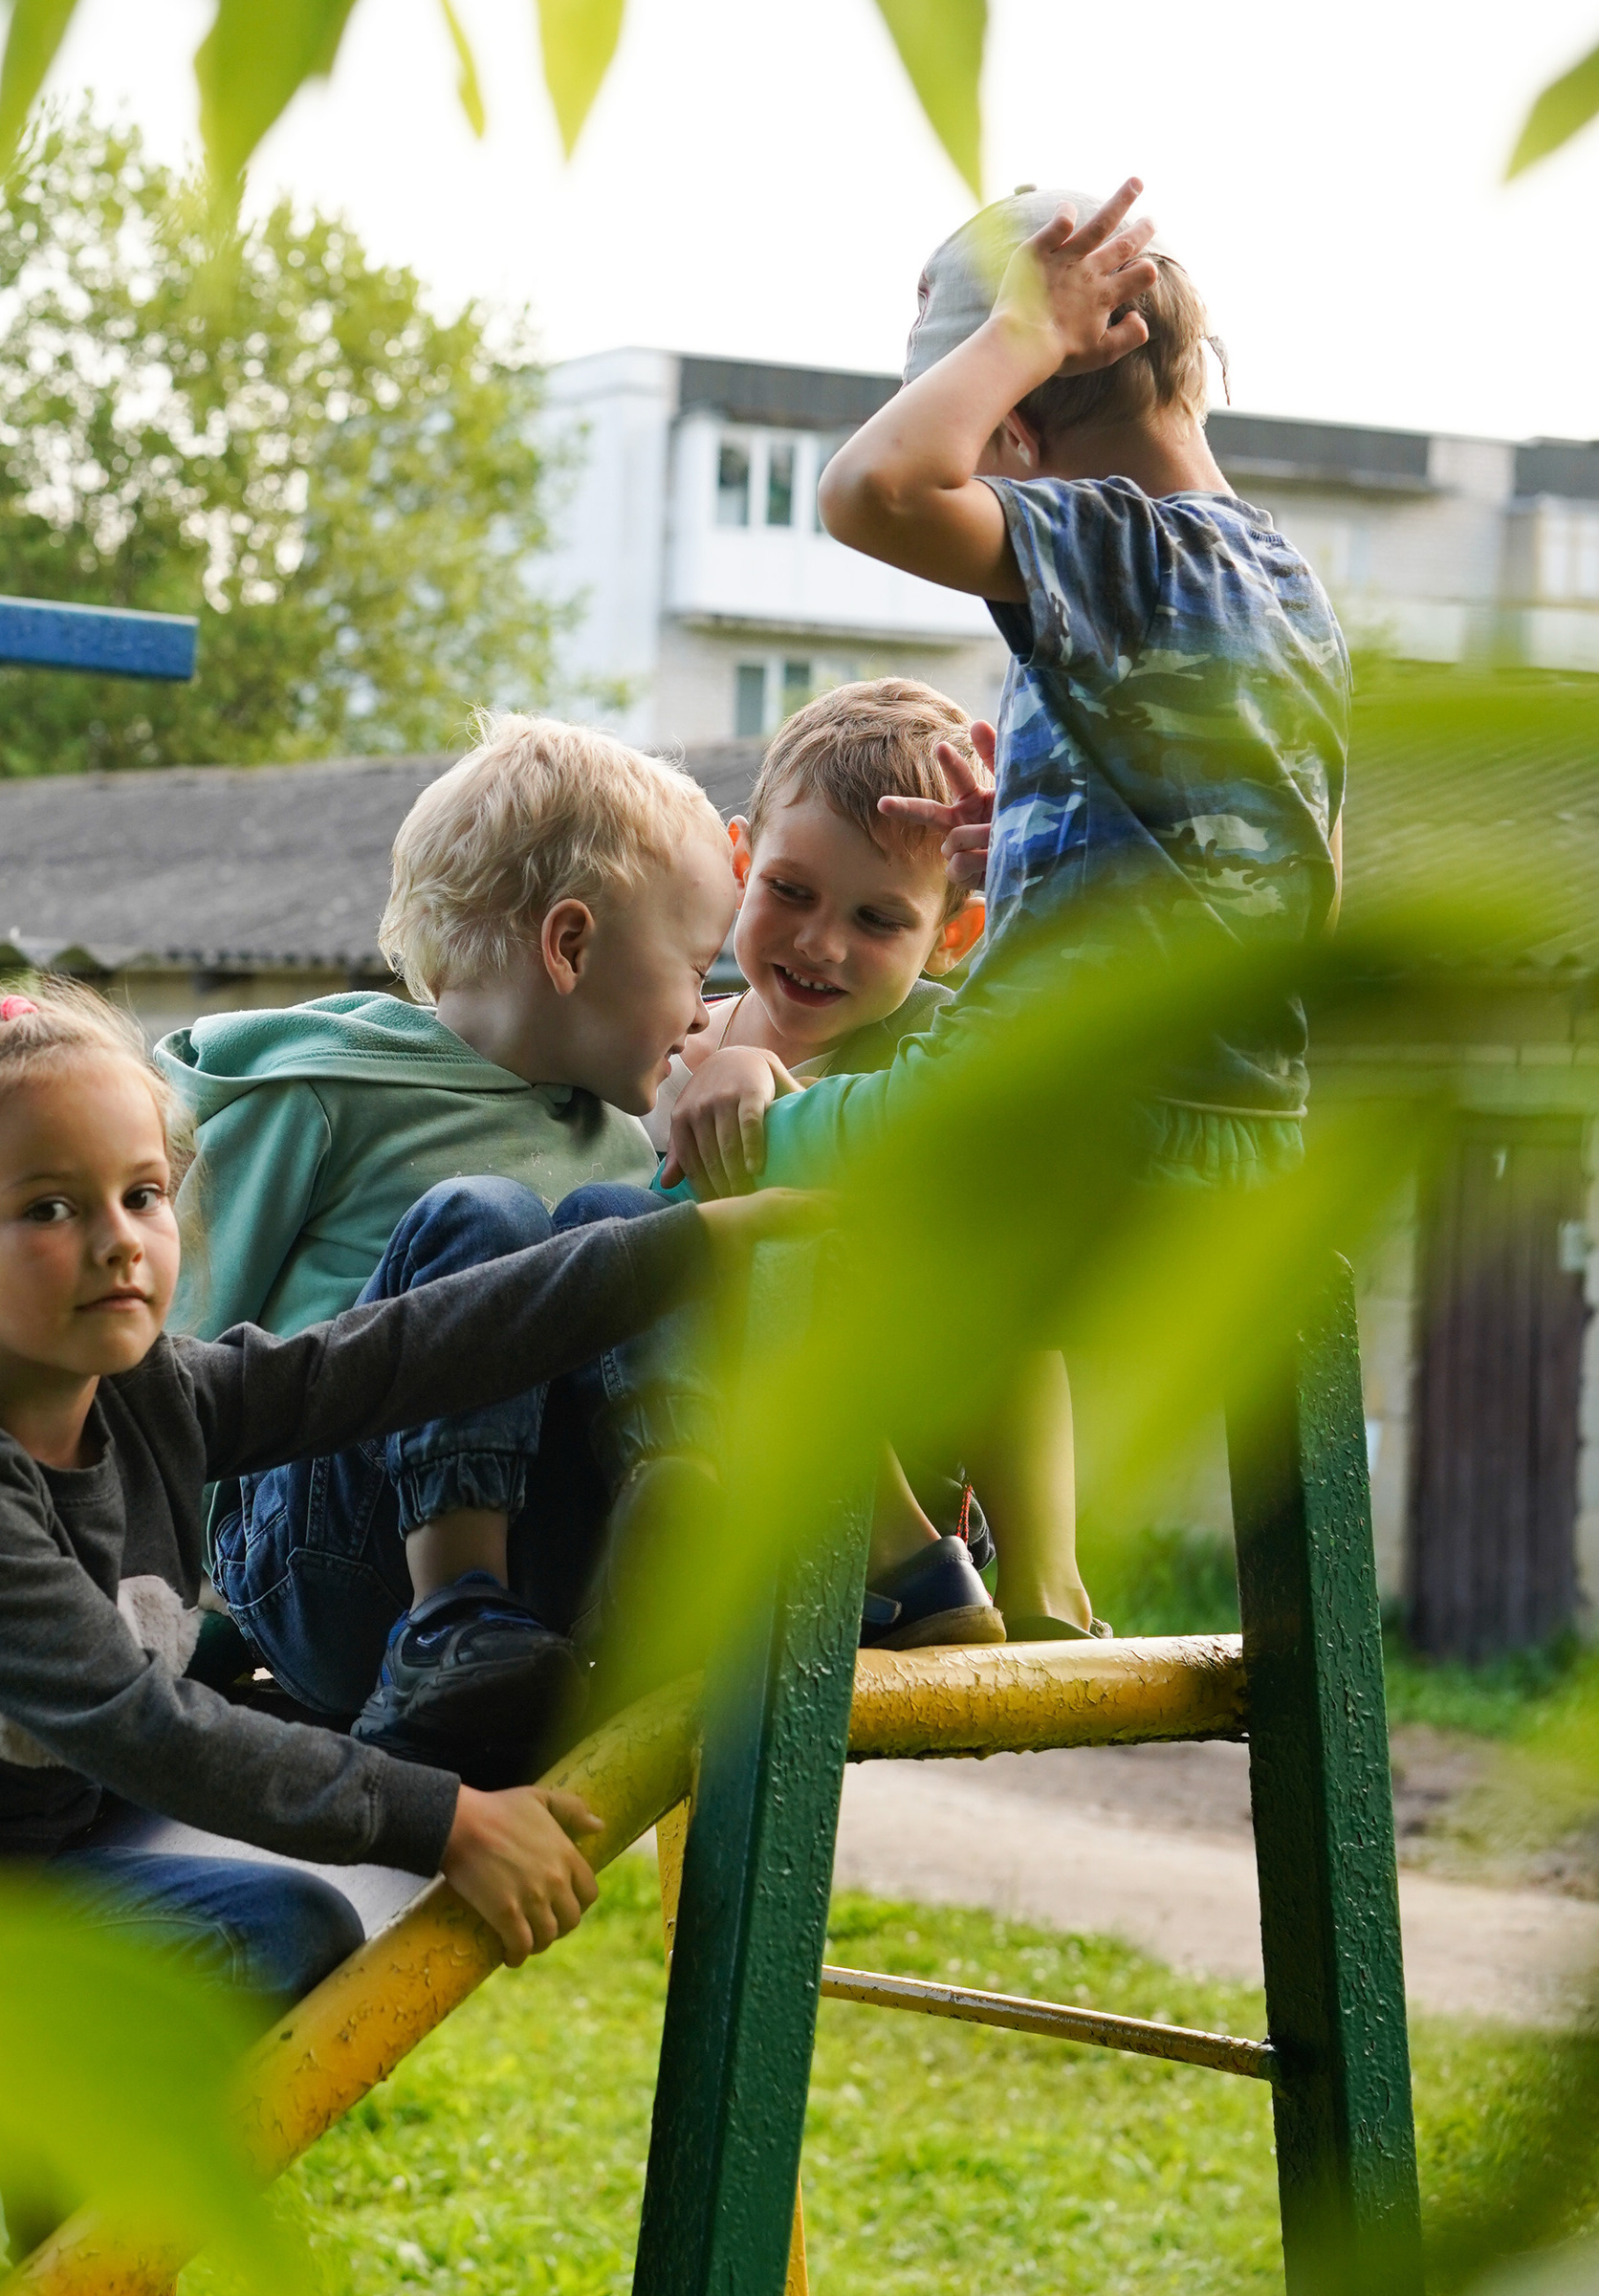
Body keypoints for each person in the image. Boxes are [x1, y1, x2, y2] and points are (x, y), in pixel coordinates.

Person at [0, 977, 800, 2296]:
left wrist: (693, 1244)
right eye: (48, 1209)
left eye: (141, 1197)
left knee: (281, 1941)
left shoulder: (147, 1397)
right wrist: (442, 1815)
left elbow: (392, 1356)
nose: (114, 1244)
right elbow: (146, 1729)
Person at [666, 179, 1347, 1208]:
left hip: (1054, 1109)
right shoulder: (1287, 589)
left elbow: (870, 494)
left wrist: (1021, 329)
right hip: (1238, 1130)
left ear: (1018, 434)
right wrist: (1061, 835)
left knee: (697, 1164)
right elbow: (1303, 884)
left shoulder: (1119, 543)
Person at [159, 717, 743, 1775]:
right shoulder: (329, 1087)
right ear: (568, 946)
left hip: (541, 1591)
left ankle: (668, 1564)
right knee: (488, 1225)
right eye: (698, 970)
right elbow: (179, 1343)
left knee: (631, 1233)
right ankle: (447, 1621)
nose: (706, 1011)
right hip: (325, 1571)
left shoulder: (617, 1146)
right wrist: (160, 1612)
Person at [653, 676, 1101, 1644]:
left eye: (878, 920)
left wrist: (772, 1091)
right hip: (706, 1475)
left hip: (917, 1472)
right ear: (740, 862)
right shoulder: (670, 1039)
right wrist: (730, 1061)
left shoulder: (941, 1044)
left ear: (953, 936)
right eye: (790, 892)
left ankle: (1039, 1575)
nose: (820, 944)